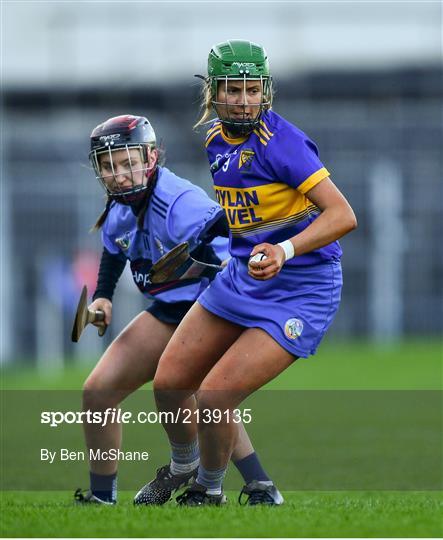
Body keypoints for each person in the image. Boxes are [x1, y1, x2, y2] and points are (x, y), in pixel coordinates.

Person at [152, 39, 358, 506]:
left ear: (265, 90)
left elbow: (343, 215)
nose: (244, 100)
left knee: (214, 398)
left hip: (302, 288)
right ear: (213, 94)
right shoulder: (213, 140)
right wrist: (205, 234)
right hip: (242, 277)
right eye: (232, 90)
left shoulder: (282, 142)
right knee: (170, 383)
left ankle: (209, 488)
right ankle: (184, 468)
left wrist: (284, 249)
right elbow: (245, 207)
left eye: (252, 89)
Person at [74, 114, 283, 506]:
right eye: (108, 166)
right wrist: (103, 296)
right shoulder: (121, 204)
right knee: (98, 392)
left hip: (210, 306)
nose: (118, 174)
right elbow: (115, 248)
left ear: (150, 158)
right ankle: (102, 499)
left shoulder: (179, 203)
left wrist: (218, 262)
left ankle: (256, 484)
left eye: (127, 162)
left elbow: (227, 240)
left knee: (202, 396)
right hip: (168, 309)